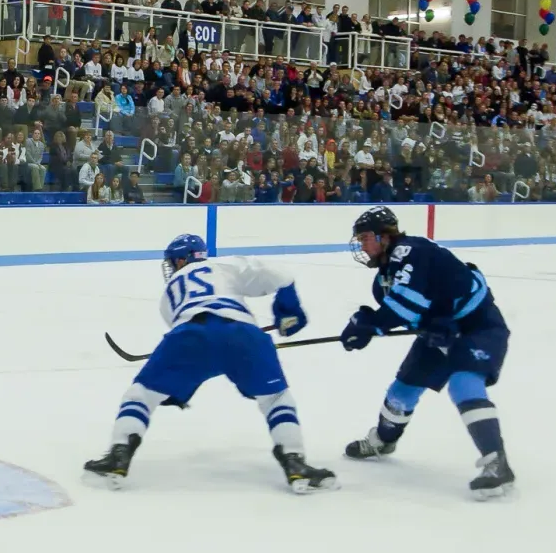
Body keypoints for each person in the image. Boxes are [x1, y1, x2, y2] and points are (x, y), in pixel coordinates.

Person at [83, 234, 338, 493]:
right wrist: (288, 311)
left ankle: (119, 453)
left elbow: (200, 347)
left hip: (188, 336)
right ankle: (295, 461)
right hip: (243, 334)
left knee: (141, 395)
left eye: (173, 262)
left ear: (182, 259)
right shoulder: (224, 265)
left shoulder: (168, 294)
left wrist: (177, 388)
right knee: (275, 398)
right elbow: (281, 275)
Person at [338, 206, 514, 500]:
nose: (362, 245)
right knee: (401, 391)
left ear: (385, 236)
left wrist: (371, 325)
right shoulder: (383, 281)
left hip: (478, 327)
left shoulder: (409, 250)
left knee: (463, 384)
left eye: (366, 237)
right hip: (441, 336)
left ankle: (498, 464)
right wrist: (374, 324)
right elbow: (410, 312)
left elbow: (406, 304)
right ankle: (383, 440)